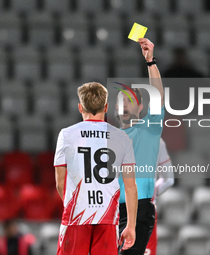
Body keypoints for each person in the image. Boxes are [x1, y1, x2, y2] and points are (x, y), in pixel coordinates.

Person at [54, 82, 138, 255]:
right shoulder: (122, 137)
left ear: (80, 107)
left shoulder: (66, 134)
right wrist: (131, 225)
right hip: (108, 217)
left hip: (76, 215)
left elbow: (59, 183)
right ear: (106, 107)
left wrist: (76, 205)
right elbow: (130, 187)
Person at [117, 38, 165, 255]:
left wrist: (150, 62)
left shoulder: (148, 129)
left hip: (139, 210)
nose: (124, 103)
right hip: (111, 211)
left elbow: (158, 98)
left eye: (129, 99)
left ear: (141, 106)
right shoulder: (110, 137)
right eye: (121, 100)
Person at [145, 138, 174, 255]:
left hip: (121, 208)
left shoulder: (114, 138)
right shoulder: (157, 141)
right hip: (147, 208)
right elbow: (168, 180)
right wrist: (152, 192)